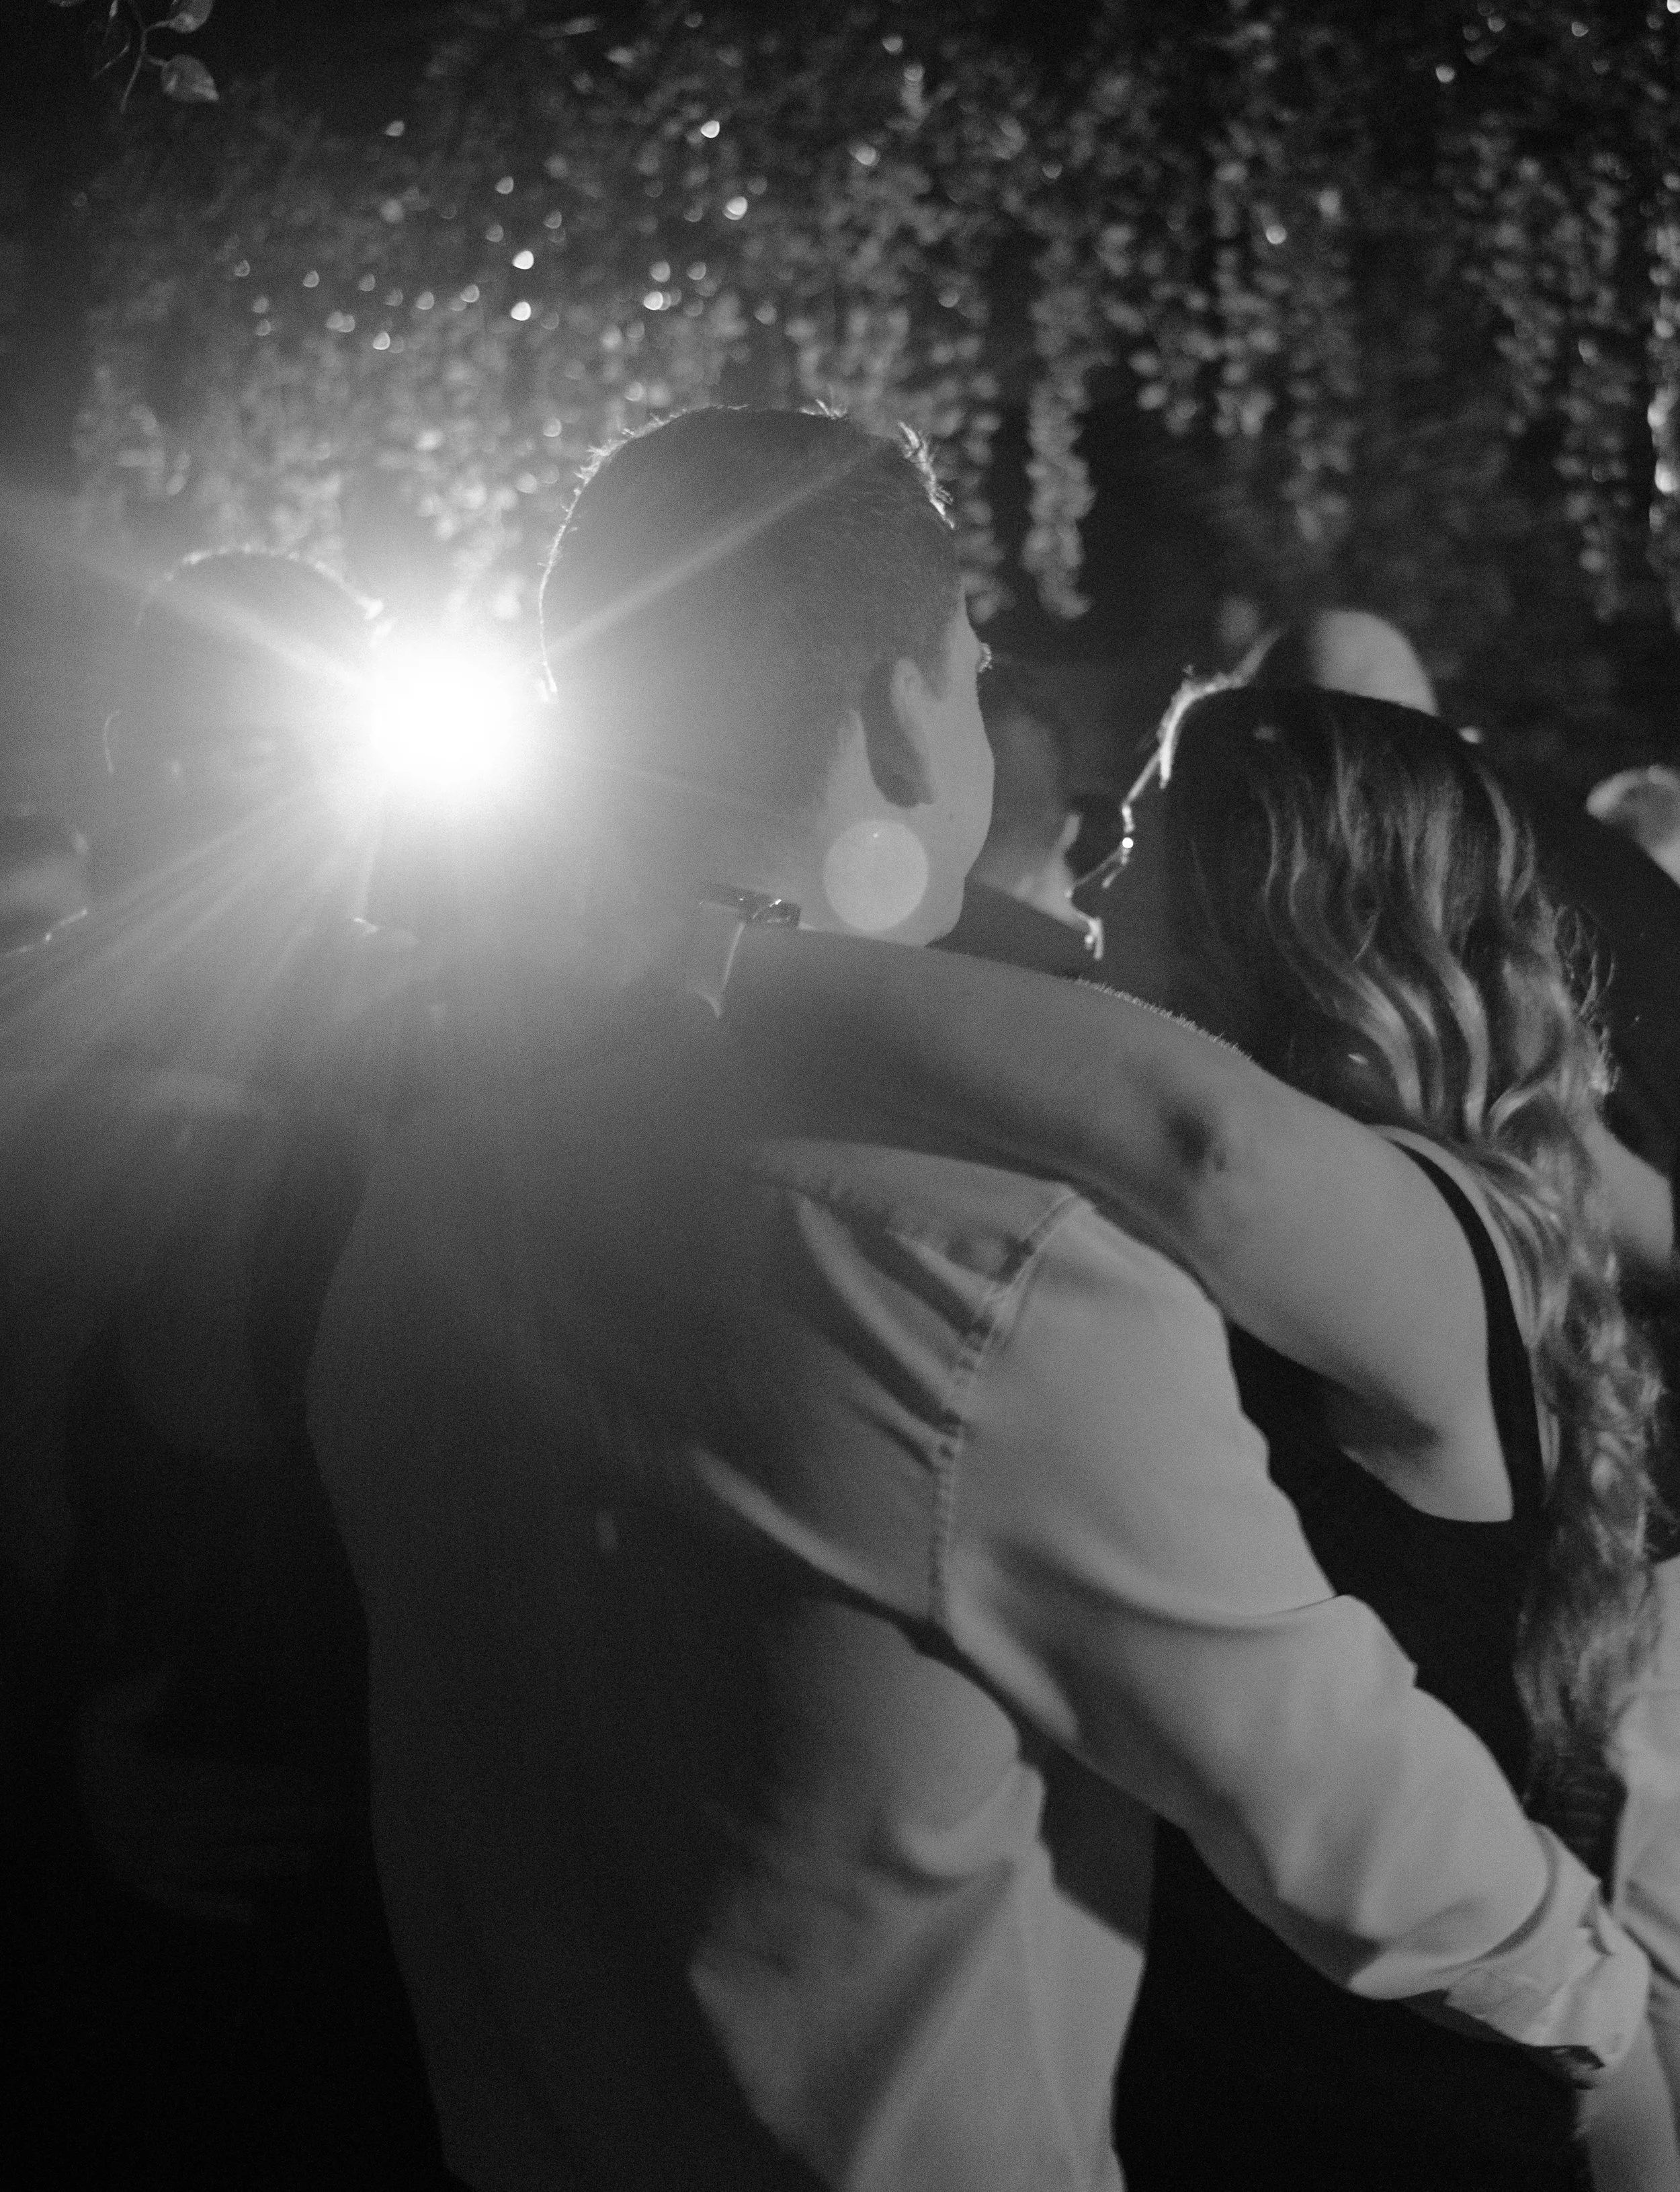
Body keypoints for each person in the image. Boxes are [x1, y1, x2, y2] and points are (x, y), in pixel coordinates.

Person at [307, 405, 1656, 2192]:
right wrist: (1616, 2037)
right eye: (965, 665)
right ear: (891, 707)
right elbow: (1339, 1795)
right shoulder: (979, 1269)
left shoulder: (413, 1190)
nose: (1090, 850)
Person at [705, 680, 1680, 2185]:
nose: (1089, 871)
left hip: (1394, 2104)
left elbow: (1202, 1142)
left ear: (1265, 885)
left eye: (1141, 832)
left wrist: (685, 956)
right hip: (1235, 2057)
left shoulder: (1436, 1214)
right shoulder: (1333, 1211)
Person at [0, 550, 438, 2187]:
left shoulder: (466, 1037)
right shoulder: (38, 1059)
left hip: (413, 1902)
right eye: (208, 740)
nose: (247, 785)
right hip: (162, 1915)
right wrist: (52, 1756)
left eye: (289, 744)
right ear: (123, 751)